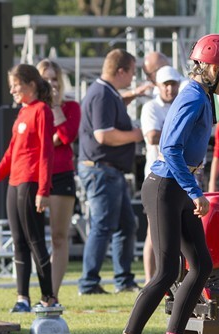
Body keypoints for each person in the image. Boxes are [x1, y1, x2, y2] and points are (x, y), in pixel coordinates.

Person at [112, 34, 219, 334]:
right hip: (166, 187)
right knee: (166, 270)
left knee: (200, 265)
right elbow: (169, 148)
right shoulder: (193, 95)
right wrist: (195, 191)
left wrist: (192, 188)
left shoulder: (202, 94)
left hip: (179, 185)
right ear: (213, 68)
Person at [0, 64, 57, 311]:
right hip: (14, 183)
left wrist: (43, 189)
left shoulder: (42, 111)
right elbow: (11, 154)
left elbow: (46, 153)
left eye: (15, 84)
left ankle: (49, 297)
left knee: (35, 240)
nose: (12, 89)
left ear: (31, 84)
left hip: (31, 183)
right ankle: (22, 297)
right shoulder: (23, 112)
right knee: (19, 242)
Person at [77, 49, 143, 295]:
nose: (133, 78)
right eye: (132, 73)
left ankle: (123, 280)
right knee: (103, 226)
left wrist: (132, 95)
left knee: (126, 226)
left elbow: (110, 108)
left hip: (107, 171)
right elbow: (103, 135)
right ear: (121, 71)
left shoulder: (106, 92)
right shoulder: (102, 94)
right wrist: (138, 134)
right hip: (102, 170)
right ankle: (89, 282)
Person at [36, 59, 81, 301]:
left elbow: (66, 136)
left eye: (55, 79)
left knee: (59, 236)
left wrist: (54, 106)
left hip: (61, 175)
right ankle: (25, 293)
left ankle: (51, 293)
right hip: (35, 174)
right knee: (31, 237)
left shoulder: (70, 107)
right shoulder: (31, 109)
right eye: (46, 79)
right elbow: (35, 143)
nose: (51, 84)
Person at [140, 65, 182, 284]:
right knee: (152, 231)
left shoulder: (177, 105)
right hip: (158, 175)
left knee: (175, 231)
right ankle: (150, 280)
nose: (170, 89)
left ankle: (167, 279)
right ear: (158, 86)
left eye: (173, 84)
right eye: (166, 84)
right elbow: (152, 136)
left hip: (179, 175)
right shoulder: (150, 107)